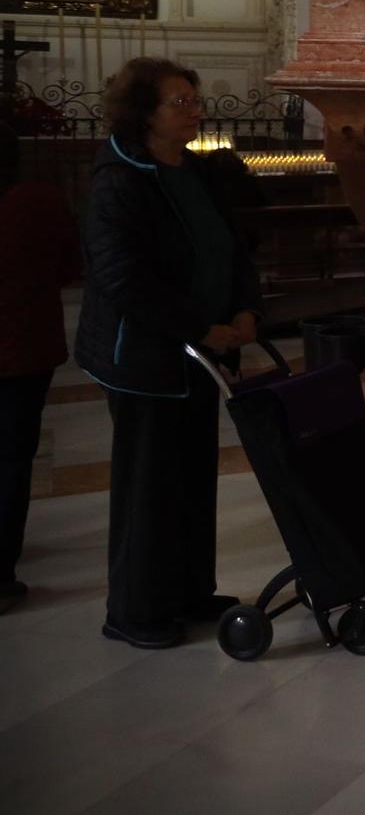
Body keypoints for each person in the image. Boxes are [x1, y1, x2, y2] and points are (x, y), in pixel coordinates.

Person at [74, 58, 261, 648]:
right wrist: (199, 326)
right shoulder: (120, 180)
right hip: (145, 360)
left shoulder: (198, 172)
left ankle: (187, 591)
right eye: (180, 102)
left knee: (191, 476)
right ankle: (133, 611)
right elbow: (122, 279)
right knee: (149, 484)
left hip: (199, 357)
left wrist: (245, 308)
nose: (195, 108)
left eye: (194, 98)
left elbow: (232, 247)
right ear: (144, 113)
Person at [0, 127, 81, 612]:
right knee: (11, 459)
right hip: (23, 348)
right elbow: (68, 267)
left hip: (22, 346)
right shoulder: (38, 202)